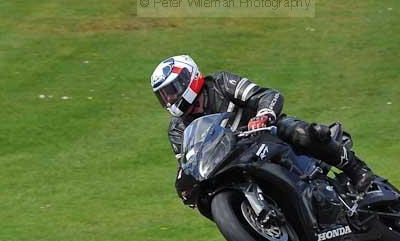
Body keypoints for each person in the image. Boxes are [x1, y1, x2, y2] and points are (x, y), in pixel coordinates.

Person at [151, 54, 376, 199]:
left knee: (302, 133)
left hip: (266, 133)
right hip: (228, 161)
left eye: (171, 90)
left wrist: (264, 114)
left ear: (189, 79)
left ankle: (356, 169)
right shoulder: (177, 129)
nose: (169, 99)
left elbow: (266, 95)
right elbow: (188, 162)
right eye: (164, 96)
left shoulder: (220, 83)